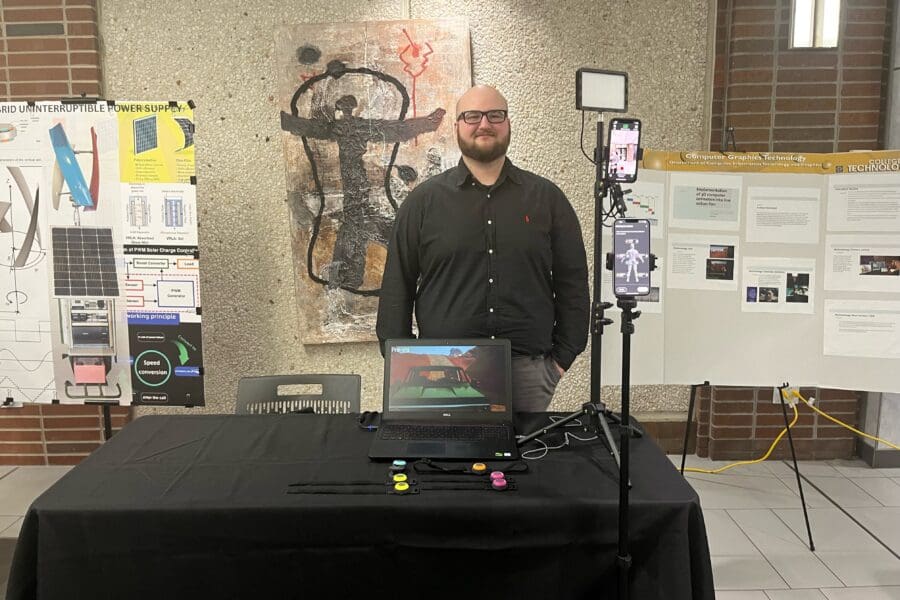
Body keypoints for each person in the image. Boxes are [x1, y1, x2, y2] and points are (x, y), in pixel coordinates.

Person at [376, 85, 589, 411]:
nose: (484, 124)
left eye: (495, 115)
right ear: (458, 125)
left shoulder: (547, 199)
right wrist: (401, 362)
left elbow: (572, 281)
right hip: (442, 368)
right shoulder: (423, 202)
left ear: (508, 123)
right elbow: (397, 286)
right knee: (444, 463)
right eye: (472, 116)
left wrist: (561, 359)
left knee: (527, 462)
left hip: (529, 371)